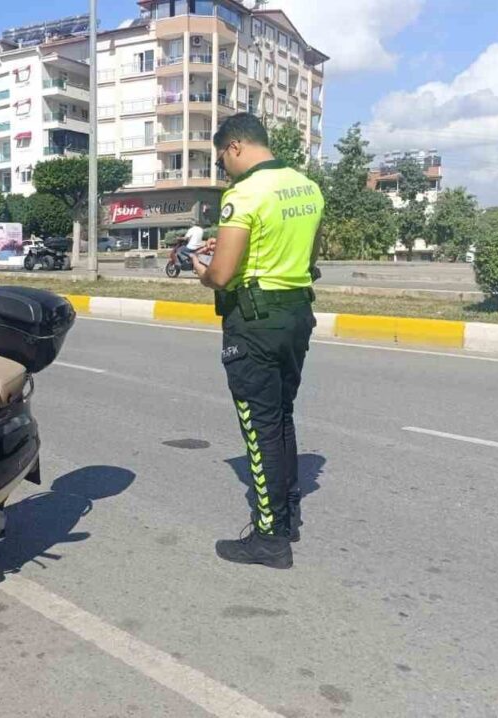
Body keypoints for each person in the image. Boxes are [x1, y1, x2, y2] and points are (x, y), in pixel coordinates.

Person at [192, 113, 323, 570]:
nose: (223, 169)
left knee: (259, 427)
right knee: (282, 416)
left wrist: (203, 269)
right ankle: (287, 518)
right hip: (296, 313)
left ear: (234, 147)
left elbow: (222, 275)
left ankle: (269, 538)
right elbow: (304, 256)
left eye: (221, 160)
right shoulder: (307, 187)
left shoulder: (244, 193)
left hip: (254, 321)